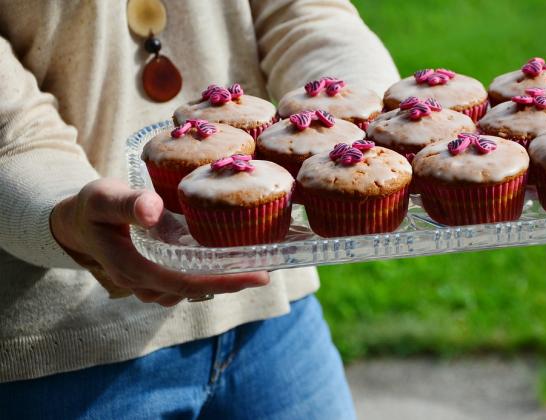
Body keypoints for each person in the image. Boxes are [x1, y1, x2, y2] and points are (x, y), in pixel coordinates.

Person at [0, 1, 398, 418]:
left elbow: (301, 12)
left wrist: (362, 121)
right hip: (63, 353)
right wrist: (66, 214)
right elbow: (12, 135)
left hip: (273, 313)